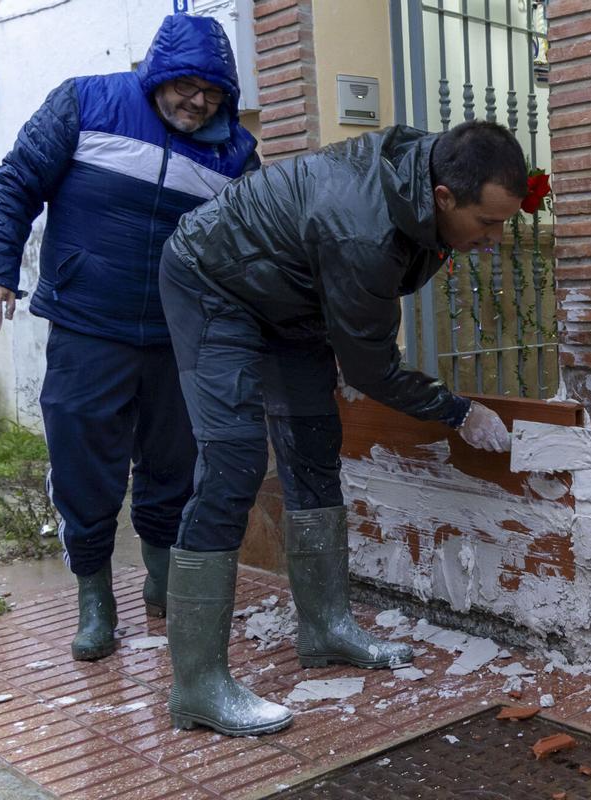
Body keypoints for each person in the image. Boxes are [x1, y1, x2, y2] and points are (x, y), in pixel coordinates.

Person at [157, 120, 524, 736]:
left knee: (314, 444)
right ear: (443, 198)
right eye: (487, 223)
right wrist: (459, 412)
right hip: (213, 281)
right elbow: (370, 369)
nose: (495, 238)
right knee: (233, 462)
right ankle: (198, 685)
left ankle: (326, 628)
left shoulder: (427, 180)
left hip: (291, 296)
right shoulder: (364, 231)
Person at [0, 14, 258, 662]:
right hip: (88, 325)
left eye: (213, 92)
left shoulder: (235, 151)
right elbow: (15, 184)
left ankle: (160, 577)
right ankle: (95, 596)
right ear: (157, 76)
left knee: (174, 465)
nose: (198, 102)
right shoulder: (86, 103)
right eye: (186, 86)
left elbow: (252, 242)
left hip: (178, 335)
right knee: (84, 466)